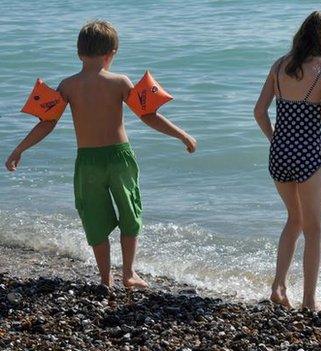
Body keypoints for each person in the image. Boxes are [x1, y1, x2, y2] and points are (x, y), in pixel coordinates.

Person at [5, 20, 197, 289]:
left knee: (94, 218)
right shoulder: (119, 81)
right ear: (113, 53)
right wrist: (182, 135)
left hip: (88, 162)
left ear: (78, 53)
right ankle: (128, 273)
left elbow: (46, 123)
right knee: (130, 213)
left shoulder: (68, 85)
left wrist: (19, 149)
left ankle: (105, 279)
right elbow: (148, 116)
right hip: (120, 158)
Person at [253, 11, 321, 310]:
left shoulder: (279, 65)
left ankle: (278, 285)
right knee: (314, 229)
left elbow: (259, 112)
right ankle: (309, 300)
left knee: (293, 219)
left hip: (279, 154)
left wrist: (276, 141)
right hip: (308, 154)